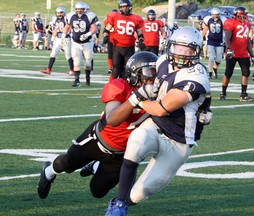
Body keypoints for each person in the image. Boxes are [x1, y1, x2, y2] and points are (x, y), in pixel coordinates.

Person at [105, 26, 212, 216]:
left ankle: (125, 201)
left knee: (140, 193)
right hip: (156, 126)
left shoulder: (195, 76)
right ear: (170, 47)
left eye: (187, 50)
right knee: (137, 141)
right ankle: (118, 205)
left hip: (179, 140)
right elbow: (154, 88)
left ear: (195, 53)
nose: (181, 54)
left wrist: (137, 99)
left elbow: (161, 109)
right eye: (178, 48)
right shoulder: (162, 61)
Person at [37, 51, 158, 200]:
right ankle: (48, 171)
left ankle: (95, 166)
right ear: (134, 73)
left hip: (121, 154)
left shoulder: (158, 95)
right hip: (98, 141)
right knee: (68, 164)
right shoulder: (119, 86)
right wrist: (136, 98)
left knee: (98, 191)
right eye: (148, 73)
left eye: (155, 73)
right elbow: (112, 119)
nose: (152, 79)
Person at [220, 6, 254, 102]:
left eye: (246, 15)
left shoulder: (247, 24)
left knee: (246, 73)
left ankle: (243, 94)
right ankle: (223, 92)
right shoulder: (230, 22)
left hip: (243, 53)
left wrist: (251, 54)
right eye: (243, 14)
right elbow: (227, 37)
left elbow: (247, 40)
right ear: (237, 15)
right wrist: (229, 49)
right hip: (233, 52)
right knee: (228, 73)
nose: (245, 16)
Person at [102, 0, 144, 79]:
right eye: (122, 7)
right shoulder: (115, 16)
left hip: (129, 48)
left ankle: (124, 87)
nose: (124, 8)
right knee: (115, 70)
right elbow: (106, 30)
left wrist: (141, 40)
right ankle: (111, 86)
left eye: (126, 6)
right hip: (117, 47)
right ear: (120, 7)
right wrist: (106, 36)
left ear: (130, 7)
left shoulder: (136, 18)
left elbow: (140, 34)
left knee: (127, 70)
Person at [61, 1, 98, 87]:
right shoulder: (70, 16)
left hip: (87, 43)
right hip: (76, 42)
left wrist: (87, 34)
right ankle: (76, 80)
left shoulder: (89, 16)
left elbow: (94, 28)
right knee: (76, 61)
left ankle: (87, 77)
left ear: (85, 10)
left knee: (88, 61)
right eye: (78, 9)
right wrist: (63, 37)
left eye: (81, 9)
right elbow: (67, 27)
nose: (79, 11)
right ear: (75, 9)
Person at [40, 7, 74, 76]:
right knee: (53, 53)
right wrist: (52, 40)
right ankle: (49, 69)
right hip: (58, 38)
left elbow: (69, 28)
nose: (59, 14)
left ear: (64, 12)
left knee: (68, 55)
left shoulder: (66, 19)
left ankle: (72, 70)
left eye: (61, 13)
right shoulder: (55, 19)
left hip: (66, 38)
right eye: (58, 13)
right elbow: (55, 30)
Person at [202, 7, 227, 79]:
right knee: (211, 57)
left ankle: (215, 68)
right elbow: (205, 30)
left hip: (220, 41)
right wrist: (200, 38)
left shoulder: (222, 20)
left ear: (219, 14)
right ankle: (210, 73)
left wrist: (227, 39)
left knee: (219, 58)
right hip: (210, 41)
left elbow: (225, 30)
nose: (215, 16)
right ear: (211, 14)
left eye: (217, 15)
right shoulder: (208, 20)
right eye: (214, 15)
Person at [103, 9, 118, 75]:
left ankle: (117, 67)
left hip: (118, 40)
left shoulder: (120, 21)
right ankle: (110, 68)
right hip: (111, 40)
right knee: (110, 54)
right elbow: (105, 30)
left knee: (117, 55)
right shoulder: (108, 21)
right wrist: (105, 36)